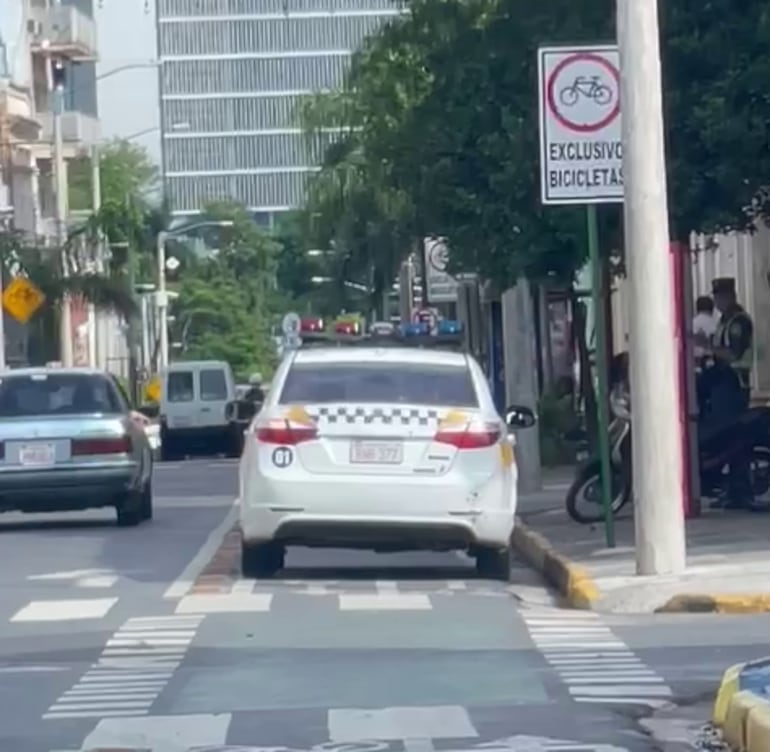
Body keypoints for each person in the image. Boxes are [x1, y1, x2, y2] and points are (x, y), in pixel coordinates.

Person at [704, 277, 755, 509]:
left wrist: (707, 347)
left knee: (735, 439)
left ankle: (741, 490)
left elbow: (734, 354)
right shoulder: (723, 320)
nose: (717, 301)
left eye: (720, 296)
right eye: (715, 297)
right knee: (725, 440)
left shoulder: (739, 321)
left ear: (730, 296)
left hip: (734, 385)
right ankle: (732, 489)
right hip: (721, 385)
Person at [692, 295, 718, 361]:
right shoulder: (716, 324)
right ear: (712, 309)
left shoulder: (693, 323)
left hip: (694, 360)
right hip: (711, 360)